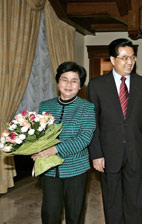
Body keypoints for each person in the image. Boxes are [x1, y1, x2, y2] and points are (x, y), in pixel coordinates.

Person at [87, 38, 142, 224]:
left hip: (136, 152)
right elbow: (93, 123)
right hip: (108, 154)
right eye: (124, 57)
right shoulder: (97, 85)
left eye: (132, 57)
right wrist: (96, 154)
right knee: (112, 202)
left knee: (134, 202)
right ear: (112, 59)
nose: (129, 62)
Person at [33, 61, 96, 224]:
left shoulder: (87, 108)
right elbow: (39, 135)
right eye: (64, 79)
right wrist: (34, 149)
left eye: (74, 80)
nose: (69, 84)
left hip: (76, 168)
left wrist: (55, 149)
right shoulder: (45, 106)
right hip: (49, 168)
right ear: (58, 81)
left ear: (80, 85)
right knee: (50, 213)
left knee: (75, 215)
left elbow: (84, 138)